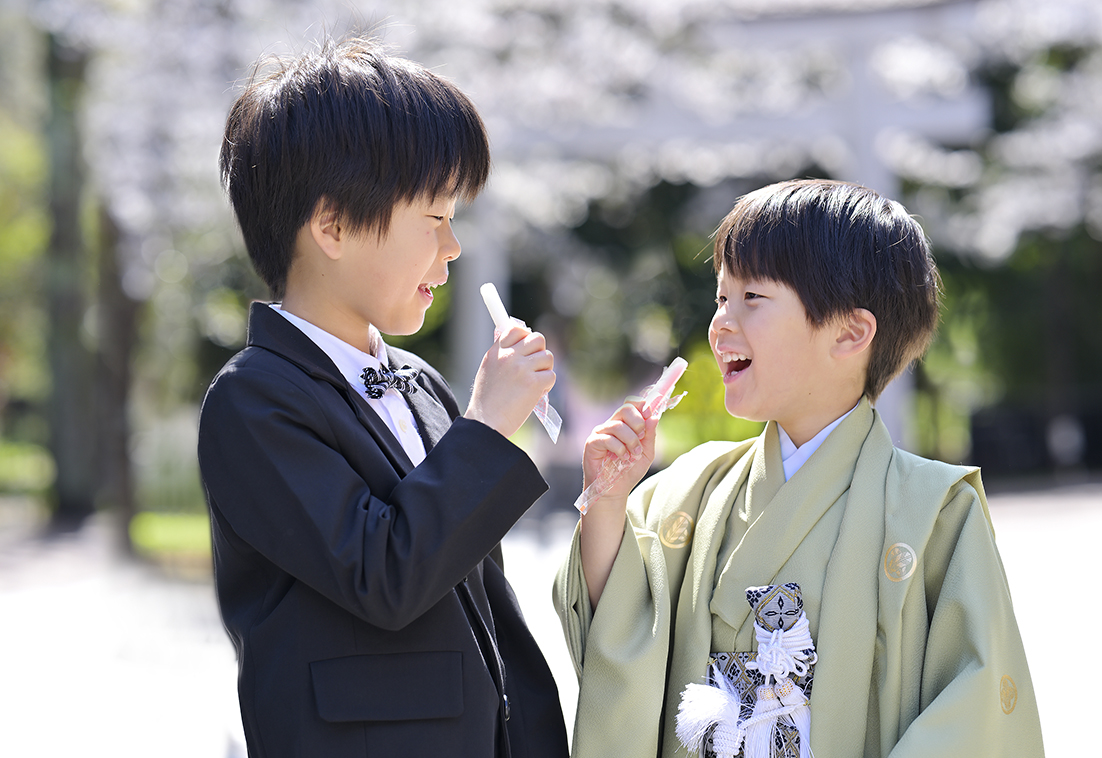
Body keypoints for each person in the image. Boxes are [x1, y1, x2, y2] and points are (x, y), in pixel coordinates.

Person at [554, 179, 1043, 757]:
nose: (721, 323)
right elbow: (618, 629)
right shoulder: (688, 491)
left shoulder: (934, 512)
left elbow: (976, 706)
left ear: (851, 332)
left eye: (753, 298)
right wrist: (608, 502)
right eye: (720, 298)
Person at [198, 36, 568, 758]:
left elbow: (482, 603)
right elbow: (384, 575)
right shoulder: (251, 403)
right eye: (434, 217)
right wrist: (488, 423)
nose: (453, 245)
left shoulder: (421, 384)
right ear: (332, 225)